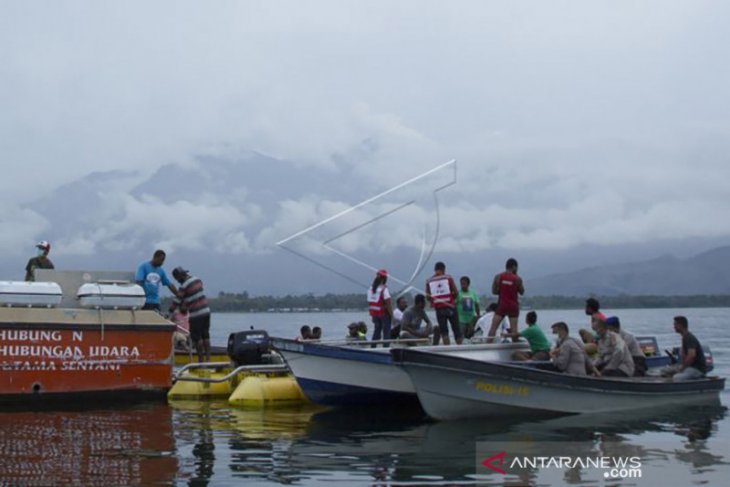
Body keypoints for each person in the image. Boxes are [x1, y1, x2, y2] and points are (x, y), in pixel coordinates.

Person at [170, 267, 211, 363]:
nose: (178, 281)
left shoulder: (184, 286)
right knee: (206, 335)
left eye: (177, 279)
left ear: (180, 277)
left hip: (196, 314)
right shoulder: (197, 279)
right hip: (206, 311)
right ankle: (208, 359)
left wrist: (170, 310)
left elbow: (177, 300)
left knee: (197, 338)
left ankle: (200, 360)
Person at [487, 258, 524, 342]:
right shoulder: (517, 279)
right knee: (514, 330)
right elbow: (522, 292)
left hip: (502, 305)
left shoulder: (498, 277)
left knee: (493, 327)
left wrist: (503, 290)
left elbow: (494, 291)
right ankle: (515, 346)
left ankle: (488, 344)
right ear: (514, 267)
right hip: (513, 306)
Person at [662, 316, 707, 381]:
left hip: (696, 369)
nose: (674, 327)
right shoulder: (684, 337)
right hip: (688, 367)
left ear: (680, 325)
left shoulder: (689, 338)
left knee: (676, 378)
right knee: (664, 370)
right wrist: (679, 367)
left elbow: (691, 356)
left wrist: (682, 368)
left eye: (675, 324)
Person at [425, 261, 460, 345]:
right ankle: (460, 348)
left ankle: (448, 350)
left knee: (444, 332)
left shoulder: (429, 280)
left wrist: (435, 301)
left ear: (435, 269)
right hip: (450, 307)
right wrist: (451, 298)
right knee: (456, 330)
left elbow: (428, 297)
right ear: (443, 269)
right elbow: (456, 292)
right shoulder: (448, 278)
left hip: (439, 308)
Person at [367, 269, 393, 347]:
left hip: (375, 314)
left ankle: (373, 347)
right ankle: (386, 349)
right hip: (384, 314)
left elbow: (370, 302)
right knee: (386, 333)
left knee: (376, 331)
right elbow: (389, 304)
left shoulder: (371, 289)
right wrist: (392, 316)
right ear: (384, 278)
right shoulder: (384, 289)